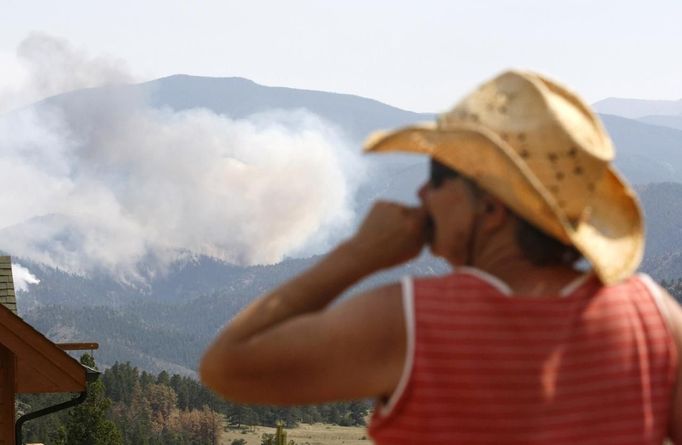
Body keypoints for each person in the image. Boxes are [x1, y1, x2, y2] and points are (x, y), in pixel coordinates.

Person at [200, 70, 682, 443]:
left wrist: (358, 254)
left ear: (491, 208)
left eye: (438, 178)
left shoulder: (412, 322)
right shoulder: (655, 318)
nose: (422, 192)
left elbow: (227, 365)